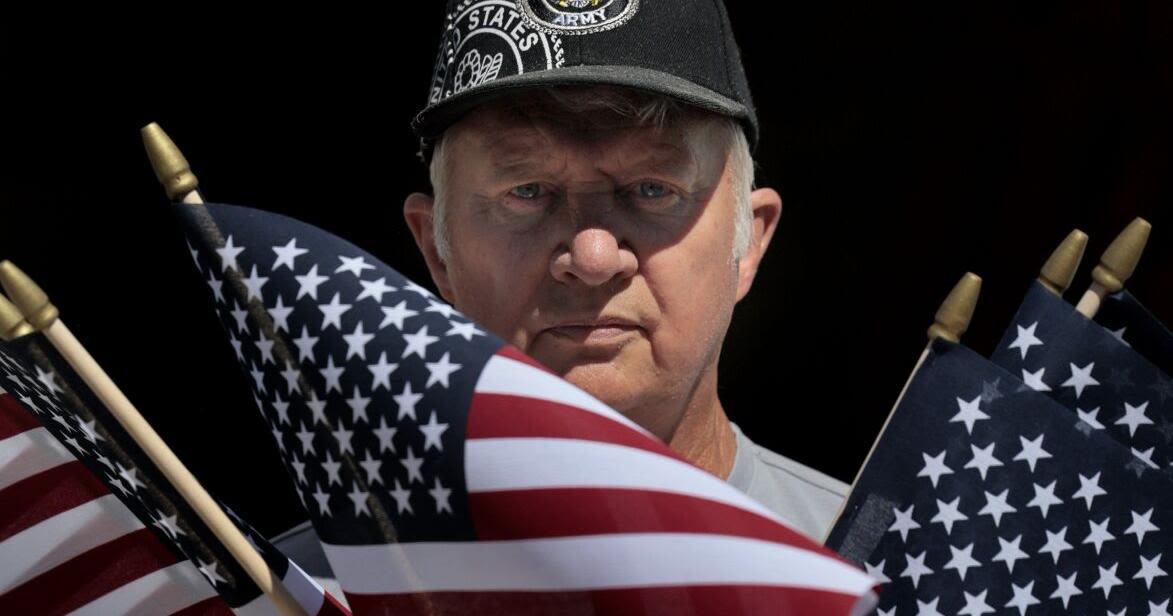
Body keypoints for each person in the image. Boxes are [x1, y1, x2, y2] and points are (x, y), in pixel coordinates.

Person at [273, 0, 848, 582]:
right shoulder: (293, 593)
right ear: (436, 249)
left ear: (749, 241)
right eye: (527, 191)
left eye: (653, 188)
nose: (593, 259)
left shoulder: (893, 578)